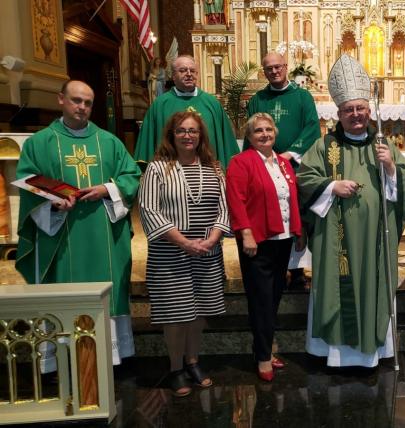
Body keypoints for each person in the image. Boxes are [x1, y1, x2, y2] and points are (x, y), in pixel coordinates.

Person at [297, 54, 405, 368]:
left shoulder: (384, 145)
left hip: (374, 240)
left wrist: (391, 168)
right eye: (349, 109)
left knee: (372, 286)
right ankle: (336, 357)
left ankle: (371, 356)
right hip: (336, 242)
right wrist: (330, 186)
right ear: (338, 113)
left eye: (360, 108)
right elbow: (304, 180)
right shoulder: (324, 146)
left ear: (369, 111)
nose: (356, 114)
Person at [15, 80, 142, 365]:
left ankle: (108, 358)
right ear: (61, 99)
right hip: (61, 234)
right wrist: (52, 202)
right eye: (76, 100)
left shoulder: (109, 142)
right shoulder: (40, 143)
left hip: (103, 233)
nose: (82, 107)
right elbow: (27, 181)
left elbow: (131, 176)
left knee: (106, 287)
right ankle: (61, 358)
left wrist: (106, 189)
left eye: (87, 103)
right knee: (63, 289)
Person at [138, 111, 230, 396]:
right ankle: (176, 367)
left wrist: (213, 238)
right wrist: (184, 242)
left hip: (207, 252)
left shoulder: (213, 168)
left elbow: (224, 207)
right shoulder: (157, 169)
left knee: (199, 311)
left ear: (201, 136)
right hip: (170, 254)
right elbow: (149, 209)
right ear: (172, 135)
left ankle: (193, 361)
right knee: (176, 314)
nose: (188, 136)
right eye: (181, 130)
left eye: (193, 131)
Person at [226, 113, 303, 382]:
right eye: (258, 130)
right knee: (261, 300)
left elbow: (292, 198)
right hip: (257, 242)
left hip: (283, 239)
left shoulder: (283, 162)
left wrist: (298, 230)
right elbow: (236, 199)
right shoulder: (241, 162)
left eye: (268, 129)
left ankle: (266, 348)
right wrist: (245, 233)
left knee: (274, 297)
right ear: (249, 136)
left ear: (275, 133)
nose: (264, 134)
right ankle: (262, 356)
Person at [246, 52, 321, 289]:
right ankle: (276, 267)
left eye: (278, 67)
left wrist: (289, 154)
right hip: (263, 166)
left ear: (286, 67)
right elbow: (250, 132)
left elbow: (312, 127)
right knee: (271, 212)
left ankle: (297, 270)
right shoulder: (258, 99)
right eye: (269, 68)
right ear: (264, 71)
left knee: (295, 215)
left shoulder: (302, 96)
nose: (274, 71)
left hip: (295, 166)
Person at [135, 55, 239, 169]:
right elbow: (147, 145)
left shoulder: (212, 103)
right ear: (173, 76)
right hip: (169, 173)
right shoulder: (160, 105)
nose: (189, 74)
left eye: (192, 71)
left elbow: (227, 145)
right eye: (183, 70)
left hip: (208, 171)